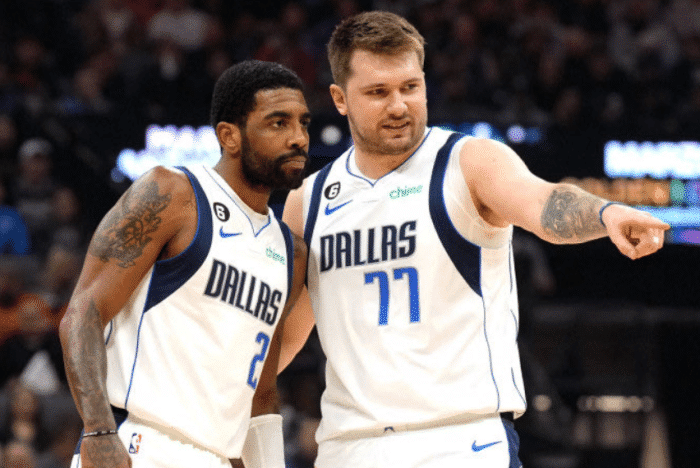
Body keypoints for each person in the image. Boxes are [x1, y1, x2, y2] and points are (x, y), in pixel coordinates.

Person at [278, 11, 670, 468]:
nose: (399, 106)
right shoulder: (308, 201)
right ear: (340, 99)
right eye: (378, 92)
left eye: (410, 87)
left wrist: (605, 213)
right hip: (349, 447)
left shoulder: (469, 163)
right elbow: (284, 335)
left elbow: (542, 202)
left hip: (460, 440)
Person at [59, 59, 310, 468]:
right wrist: (98, 430)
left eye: (303, 123)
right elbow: (83, 313)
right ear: (229, 136)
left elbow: (261, 395)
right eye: (278, 123)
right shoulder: (173, 194)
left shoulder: (291, 254)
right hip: (140, 443)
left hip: (217, 456)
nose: (298, 138)